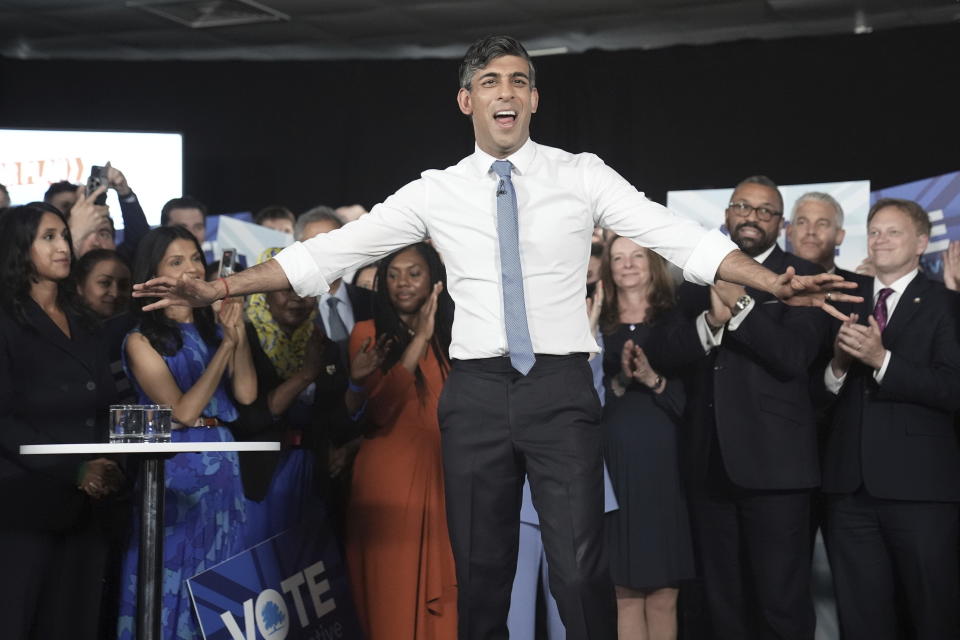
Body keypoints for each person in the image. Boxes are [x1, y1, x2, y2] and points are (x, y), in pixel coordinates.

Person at [134, 36, 857, 640]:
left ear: (534, 99)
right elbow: (328, 254)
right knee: (482, 572)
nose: (505, 90)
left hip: (561, 389)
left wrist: (770, 283)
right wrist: (215, 288)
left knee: (578, 568)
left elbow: (673, 234)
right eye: (489, 80)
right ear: (467, 100)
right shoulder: (434, 190)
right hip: (476, 394)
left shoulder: (581, 175)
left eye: (518, 79)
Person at [646, 176, 828, 639]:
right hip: (708, 466)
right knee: (719, 604)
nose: (752, 217)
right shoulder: (694, 276)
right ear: (726, 214)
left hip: (777, 471)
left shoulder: (802, 275)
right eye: (742, 207)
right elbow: (663, 351)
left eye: (765, 211)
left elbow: (794, 358)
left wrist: (742, 306)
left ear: (780, 224)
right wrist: (710, 320)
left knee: (780, 603)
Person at [821, 198, 960, 639]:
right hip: (849, 491)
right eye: (874, 231)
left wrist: (883, 360)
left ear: (922, 242)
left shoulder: (946, 304)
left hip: (921, 493)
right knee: (861, 619)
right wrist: (838, 365)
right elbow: (816, 392)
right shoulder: (846, 297)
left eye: (893, 232)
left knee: (931, 613)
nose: (880, 240)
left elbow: (952, 388)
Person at [116, 226, 256, 640]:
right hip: (176, 471)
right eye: (176, 262)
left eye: (195, 258)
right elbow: (182, 411)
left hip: (224, 465)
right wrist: (226, 351)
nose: (191, 269)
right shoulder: (140, 341)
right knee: (175, 577)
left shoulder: (214, 329)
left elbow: (246, 394)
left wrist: (236, 334)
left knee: (224, 580)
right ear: (153, 274)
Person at [0, 203, 122, 640]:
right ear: (19, 248)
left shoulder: (85, 322)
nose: (62, 246)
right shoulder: (6, 322)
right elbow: (4, 421)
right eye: (48, 237)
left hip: (88, 506)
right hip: (22, 505)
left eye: (63, 236)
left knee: (77, 622)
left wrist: (105, 463)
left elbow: (103, 404)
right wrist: (75, 468)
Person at [345, 242, 458, 639]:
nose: (402, 283)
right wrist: (418, 341)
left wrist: (431, 335)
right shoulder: (367, 334)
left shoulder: (456, 338)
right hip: (388, 481)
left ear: (434, 282)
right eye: (392, 275)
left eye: (414, 273)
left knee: (447, 601)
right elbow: (378, 411)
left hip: (446, 479)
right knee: (390, 598)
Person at [599, 236, 694, 639]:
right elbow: (589, 399)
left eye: (637, 255)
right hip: (615, 468)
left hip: (664, 470)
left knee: (662, 592)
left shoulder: (676, 321)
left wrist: (651, 377)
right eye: (618, 258)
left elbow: (688, 405)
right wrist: (621, 378)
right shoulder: (593, 322)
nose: (628, 264)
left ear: (652, 263)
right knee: (623, 592)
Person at [236, 247, 345, 545]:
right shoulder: (241, 341)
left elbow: (336, 418)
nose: (297, 299)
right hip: (260, 478)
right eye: (285, 289)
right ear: (263, 292)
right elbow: (252, 418)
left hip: (315, 476)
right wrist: (305, 375)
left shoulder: (325, 345)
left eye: (306, 289)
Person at [295, 205, 374, 359]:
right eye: (314, 246)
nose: (324, 253)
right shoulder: (292, 308)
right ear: (298, 252)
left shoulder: (373, 302)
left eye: (332, 243)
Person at [786, 191, 853, 277]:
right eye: (802, 222)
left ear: (839, 236)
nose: (811, 231)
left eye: (822, 224)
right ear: (789, 232)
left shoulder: (866, 287)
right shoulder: (769, 284)